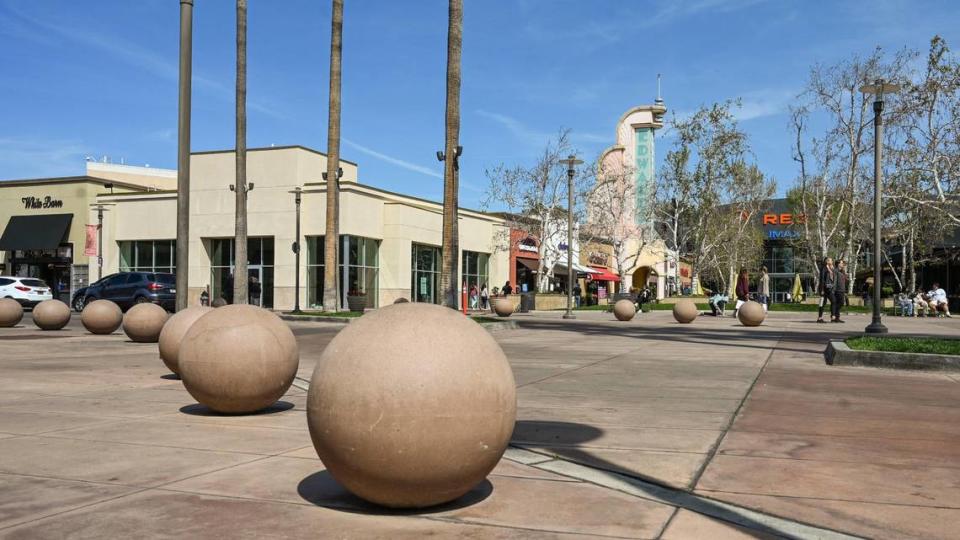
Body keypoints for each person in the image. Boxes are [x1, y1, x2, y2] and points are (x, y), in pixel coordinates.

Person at [817, 258, 835, 324]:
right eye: (831, 260)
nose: (832, 261)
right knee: (822, 303)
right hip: (824, 288)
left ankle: (833, 317)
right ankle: (819, 318)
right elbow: (822, 279)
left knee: (833, 301)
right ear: (827, 261)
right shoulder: (824, 268)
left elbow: (832, 279)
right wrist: (821, 289)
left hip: (829, 288)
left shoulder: (831, 268)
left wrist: (832, 269)